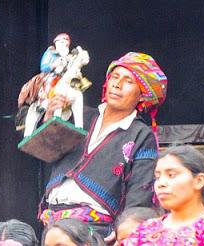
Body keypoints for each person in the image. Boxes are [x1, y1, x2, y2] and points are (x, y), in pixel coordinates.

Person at [38, 52, 168, 242]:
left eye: (128, 81)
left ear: (142, 95)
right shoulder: (79, 116)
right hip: (52, 225)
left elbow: (140, 192)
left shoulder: (140, 135)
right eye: (115, 77)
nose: (117, 84)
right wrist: (51, 117)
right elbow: (46, 151)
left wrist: (125, 227)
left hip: (95, 230)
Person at [121, 145, 204, 245]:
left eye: (171, 175)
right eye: (157, 177)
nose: (161, 183)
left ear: (199, 180)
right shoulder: (145, 231)